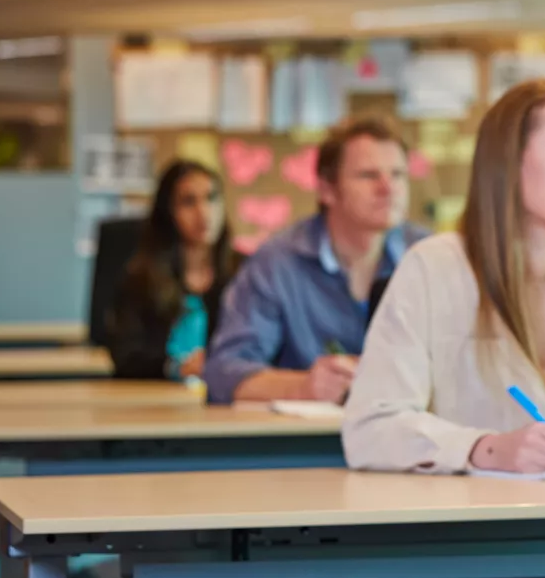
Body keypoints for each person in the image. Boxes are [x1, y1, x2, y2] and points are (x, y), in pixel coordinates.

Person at [344, 79, 545, 578]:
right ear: (509, 162)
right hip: (484, 557)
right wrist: (486, 447)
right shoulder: (435, 268)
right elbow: (371, 427)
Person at [204, 119, 429, 405]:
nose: (388, 188)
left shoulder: (429, 254)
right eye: (368, 175)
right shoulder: (275, 263)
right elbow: (223, 373)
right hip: (306, 443)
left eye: (398, 174)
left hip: (411, 441)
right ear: (326, 189)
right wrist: (302, 388)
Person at [106, 160, 238, 381]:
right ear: (168, 212)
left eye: (212, 198)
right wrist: (176, 367)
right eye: (188, 202)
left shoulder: (245, 274)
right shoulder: (141, 279)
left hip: (227, 400)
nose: (203, 212)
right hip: (154, 402)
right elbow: (126, 357)